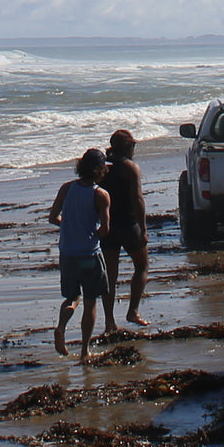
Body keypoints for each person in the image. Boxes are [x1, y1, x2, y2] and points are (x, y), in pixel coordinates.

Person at [48, 148, 111, 362]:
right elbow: (105, 229)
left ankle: (61, 327)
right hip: (89, 254)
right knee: (91, 302)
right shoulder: (100, 194)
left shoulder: (66, 188)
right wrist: (91, 231)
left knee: (72, 298)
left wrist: (69, 227)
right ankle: (85, 351)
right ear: (100, 170)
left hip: (67, 254)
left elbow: (53, 217)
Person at [99, 129, 149, 329]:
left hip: (108, 226)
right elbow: (138, 199)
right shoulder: (130, 167)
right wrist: (143, 228)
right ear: (128, 148)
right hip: (128, 224)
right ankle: (133, 311)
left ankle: (109, 321)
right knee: (142, 266)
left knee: (110, 276)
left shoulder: (102, 168)